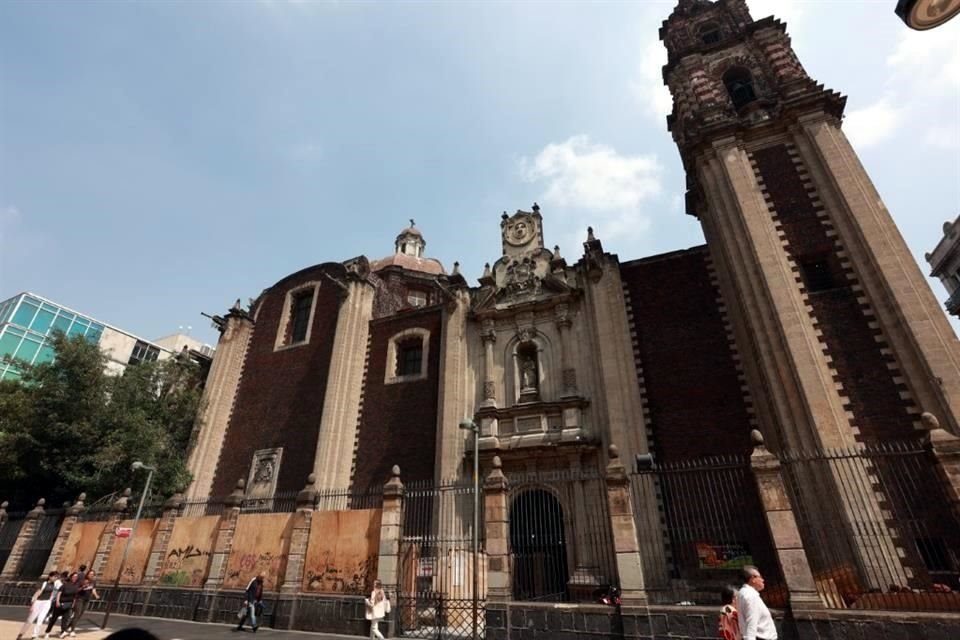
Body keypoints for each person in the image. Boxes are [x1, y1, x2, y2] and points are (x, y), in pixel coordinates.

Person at [735, 565, 777, 640]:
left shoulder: (744, 593)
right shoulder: (751, 596)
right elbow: (751, 622)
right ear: (753, 579)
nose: (763, 580)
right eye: (760, 577)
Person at [16, 571, 59, 640]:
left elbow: (55, 592)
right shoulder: (44, 584)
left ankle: (34, 635)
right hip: (38, 602)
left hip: (47, 602)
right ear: (50, 577)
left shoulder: (55, 584)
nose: (55, 578)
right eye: (54, 577)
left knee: (40, 620)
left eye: (56, 577)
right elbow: (37, 593)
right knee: (30, 620)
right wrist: (32, 605)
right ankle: (21, 634)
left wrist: (50, 601)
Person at [44, 571, 79, 639]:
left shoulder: (75, 587)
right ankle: (47, 632)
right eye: (74, 576)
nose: (75, 578)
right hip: (60, 603)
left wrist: (73, 605)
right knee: (53, 619)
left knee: (65, 620)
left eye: (76, 577)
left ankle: (63, 632)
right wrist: (57, 602)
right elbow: (59, 593)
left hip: (68, 604)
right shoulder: (65, 584)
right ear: (71, 577)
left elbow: (75, 596)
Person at [67, 569, 99, 634]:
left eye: (93, 574)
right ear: (87, 574)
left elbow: (93, 589)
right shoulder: (82, 581)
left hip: (86, 600)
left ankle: (68, 626)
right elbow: (77, 590)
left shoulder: (93, 582)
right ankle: (72, 630)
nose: (91, 575)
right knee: (77, 614)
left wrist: (96, 595)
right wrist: (83, 587)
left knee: (80, 615)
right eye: (90, 574)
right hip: (80, 599)